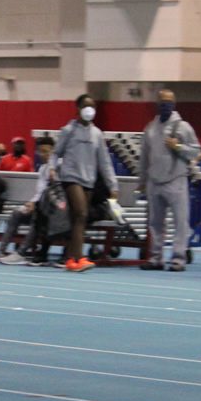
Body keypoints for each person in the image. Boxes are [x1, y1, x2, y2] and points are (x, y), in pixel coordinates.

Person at [138, 89, 201, 272]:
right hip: (154, 180)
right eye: (162, 101)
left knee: (180, 222)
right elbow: (144, 157)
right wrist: (142, 180)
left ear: (174, 104)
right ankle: (155, 258)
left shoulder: (183, 127)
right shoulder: (150, 128)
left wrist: (179, 147)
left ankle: (178, 259)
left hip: (176, 179)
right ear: (157, 104)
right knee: (155, 223)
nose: (165, 105)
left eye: (168, 102)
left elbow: (196, 151)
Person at [52, 94, 118, 272]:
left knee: (78, 220)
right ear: (78, 109)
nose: (90, 109)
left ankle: (70, 259)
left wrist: (113, 185)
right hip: (71, 178)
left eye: (93, 106)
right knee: (81, 214)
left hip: (89, 180)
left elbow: (104, 162)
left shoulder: (97, 134)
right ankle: (79, 257)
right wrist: (51, 168)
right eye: (86, 106)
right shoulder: (68, 130)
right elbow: (56, 153)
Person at [0, 137, 54, 264]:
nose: (43, 154)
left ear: (53, 152)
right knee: (16, 213)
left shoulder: (59, 168)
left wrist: (36, 204)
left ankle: (21, 253)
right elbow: (40, 192)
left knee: (38, 216)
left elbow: (54, 193)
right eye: (40, 151)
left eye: (46, 151)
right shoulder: (43, 168)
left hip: (53, 212)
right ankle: (0, 251)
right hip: (39, 206)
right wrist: (31, 202)